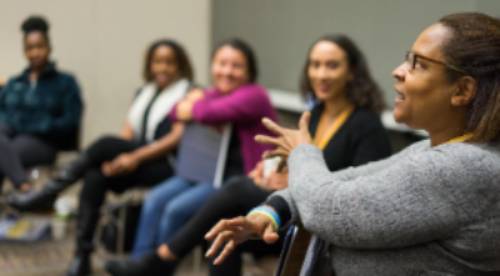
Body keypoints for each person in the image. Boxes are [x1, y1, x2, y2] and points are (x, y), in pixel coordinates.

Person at [206, 12, 500, 276]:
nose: (398, 71)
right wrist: (271, 211)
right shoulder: (435, 148)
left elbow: (328, 208)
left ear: (462, 90)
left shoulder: (465, 166)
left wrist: (301, 153)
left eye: (417, 64)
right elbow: (341, 182)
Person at [106, 34, 392, 276]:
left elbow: (360, 192)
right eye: (315, 65)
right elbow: (296, 159)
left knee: (235, 189)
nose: (321, 74)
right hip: (293, 214)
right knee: (227, 230)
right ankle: (160, 259)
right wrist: (273, 171)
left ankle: (163, 258)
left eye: (332, 66)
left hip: (325, 229)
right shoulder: (315, 115)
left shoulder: (366, 125)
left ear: (352, 71)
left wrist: (296, 182)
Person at [10, 38, 194, 276]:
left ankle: (49, 192)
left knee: (105, 144)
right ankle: (82, 255)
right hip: (138, 159)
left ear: (180, 65)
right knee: (95, 175)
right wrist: (116, 160)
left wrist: (133, 157)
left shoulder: (189, 92)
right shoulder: (144, 92)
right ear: (149, 65)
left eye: (169, 62)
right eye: (157, 62)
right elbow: (127, 133)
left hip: (168, 165)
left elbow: (175, 138)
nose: (162, 68)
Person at [0, 15, 83, 193]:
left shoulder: (65, 82)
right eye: (30, 48)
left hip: (44, 143)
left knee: (5, 152)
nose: (35, 53)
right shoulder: (15, 83)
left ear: (49, 48)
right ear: (24, 51)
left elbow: (70, 121)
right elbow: (3, 113)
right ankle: (22, 187)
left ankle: (24, 187)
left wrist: (38, 125)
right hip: (9, 139)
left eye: (39, 47)